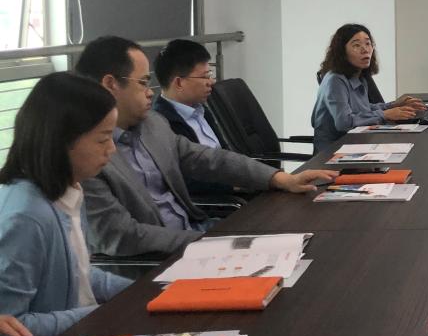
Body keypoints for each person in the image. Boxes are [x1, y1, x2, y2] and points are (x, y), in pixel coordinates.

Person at [75, 36, 334, 258]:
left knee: (302, 243)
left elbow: (209, 159)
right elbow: (121, 236)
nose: (151, 92)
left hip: (198, 233)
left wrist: (279, 178)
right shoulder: (86, 159)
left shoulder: (153, 124)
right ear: (110, 84)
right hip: (158, 261)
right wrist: (206, 243)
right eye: (142, 82)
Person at [0, 72, 133, 336]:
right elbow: (10, 333)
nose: (112, 149)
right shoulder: (26, 217)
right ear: (61, 141)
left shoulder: (69, 189)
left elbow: (79, 274)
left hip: (84, 334)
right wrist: (97, 315)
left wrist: (143, 291)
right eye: (103, 139)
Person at [311, 24, 426, 152]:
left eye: (368, 44)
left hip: (356, 142)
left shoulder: (358, 75)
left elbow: (363, 109)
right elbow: (344, 122)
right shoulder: (335, 80)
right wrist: (385, 114)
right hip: (333, 150)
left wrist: (393, 105)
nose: (365, 50)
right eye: (356, 45)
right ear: (342, 52)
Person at [153, 39, 224, 149]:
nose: (212, 82)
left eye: (210, 75)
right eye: (205, 76)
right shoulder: (162, 126)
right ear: (179, 83)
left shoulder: (202, 110)